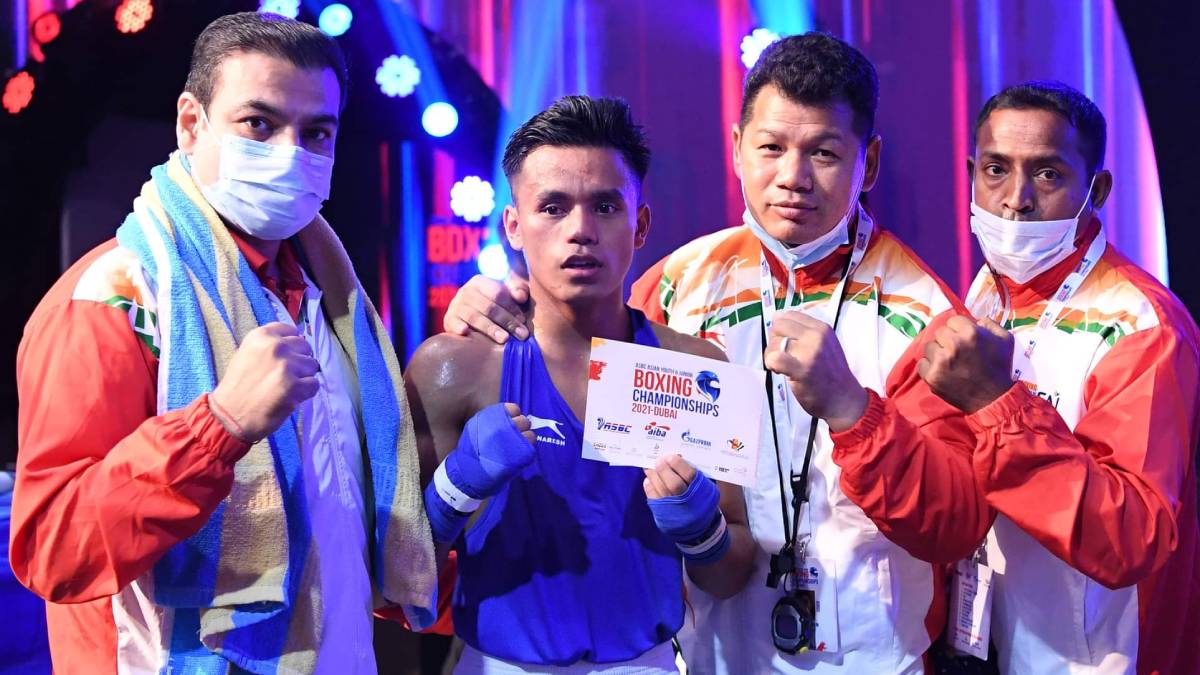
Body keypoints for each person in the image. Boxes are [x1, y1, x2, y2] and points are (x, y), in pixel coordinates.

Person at [443, 34, 988, 674]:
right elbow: (565, 356)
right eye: (771, 148)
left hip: (868, 652)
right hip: (709, 650)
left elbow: (956, 526)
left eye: (824, 153)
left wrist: (853, 412)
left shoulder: (928, 313)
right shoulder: (678, 282)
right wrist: (492, 308)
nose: (793, 177)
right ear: (736, 149)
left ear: (866, 164)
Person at [9, 12, 435, 673]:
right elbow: (53, 548)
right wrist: (218, 425)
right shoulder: (116, 297)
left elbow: (344, 524)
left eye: (316, 132)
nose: (292, 152)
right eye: (259, 124)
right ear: (190, 124)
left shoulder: (334, 301)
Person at [406, 95, 756, 673]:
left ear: (640, 223)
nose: (580, 230)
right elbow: (394, 573)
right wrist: (454, 489)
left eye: (605, 206)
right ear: (514, 227)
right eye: (553, 207)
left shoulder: (699, 370)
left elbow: (731, 575)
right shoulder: (454, 367)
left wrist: (704, 533)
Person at [904, 80, 1200, 674]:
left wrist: (997, 404)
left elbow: (1131, 534)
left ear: (1098, 189)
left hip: (1099, 657)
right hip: (995, 641)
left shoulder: (1141, 324)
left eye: (1047, 174)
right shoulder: (989, 290)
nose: (1016, 199)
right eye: (995, 169)